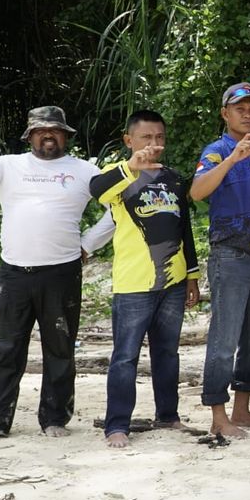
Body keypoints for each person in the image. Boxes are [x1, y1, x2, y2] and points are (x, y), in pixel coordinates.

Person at [0, 106, 114, 438]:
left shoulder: (85, 171)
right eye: (41, 130)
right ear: (29, 136)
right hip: (14, 274)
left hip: (62, 274)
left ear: (66, 136)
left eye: (55, 130)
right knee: (6, 350)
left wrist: (88, 244)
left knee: (60, 349)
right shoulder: (9, 165)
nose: (48, 135)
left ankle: (55, 419)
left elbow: (116, 208)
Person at [91, 110, 200, 448]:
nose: (153, 144)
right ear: (129, 141)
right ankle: (117, 425)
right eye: (145, 138)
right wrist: (131, 167)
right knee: (125, 356)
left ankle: (167, 416)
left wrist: (192, 277)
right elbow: (96, 189)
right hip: (133, 284)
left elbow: (184, 230)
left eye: (159, 138)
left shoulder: (175, 179)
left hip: (173, 282)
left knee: (167, 354)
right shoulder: (117, 175)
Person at [192, 82, 250, 438]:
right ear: (225, 113)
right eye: (239, 108)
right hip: (230, 254)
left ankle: (242, 409)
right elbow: (197, 192)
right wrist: (232, 159)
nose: (246, 113)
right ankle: (218, 415)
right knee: (224, 338)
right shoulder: (216, 151)